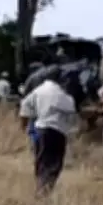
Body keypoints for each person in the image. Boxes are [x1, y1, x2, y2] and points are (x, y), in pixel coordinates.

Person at [19, 66, 77, 197]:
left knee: (40, 161)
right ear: (60, 78)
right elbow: (72, 115)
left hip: (39, 129)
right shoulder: (64, 96)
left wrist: (25, 127)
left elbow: (24, 107)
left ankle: (40, 188)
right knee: (54, 164)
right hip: (57, 132)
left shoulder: (38, 91)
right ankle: (44, 192)